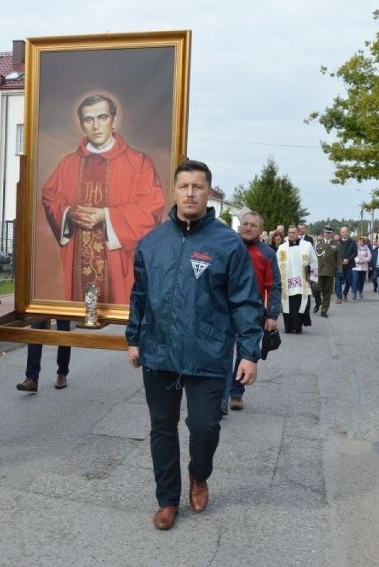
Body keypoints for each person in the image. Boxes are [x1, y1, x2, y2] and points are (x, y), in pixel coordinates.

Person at [125, 159, 264, 531]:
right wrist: (134, 339)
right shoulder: (152, 242)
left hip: (208, 354)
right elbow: (140, 296)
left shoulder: (227, 243)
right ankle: (167, 500)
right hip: (159, 352)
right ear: (174, 191)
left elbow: (245, 302)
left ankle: (199, 474)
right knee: (162, 428)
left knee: (205, 428)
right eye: (183, 186)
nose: (190, 193)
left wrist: (249, 353)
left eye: (197, 187)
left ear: (208, 192)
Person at [41, 94, 166, 305]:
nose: (96, 126)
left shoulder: (138, 163)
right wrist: (69, 214)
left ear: (114, 121)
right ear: (82, 124)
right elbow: (50, 196)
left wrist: (106, 216)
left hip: (118, 262)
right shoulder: (69, 164)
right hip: (78, 260)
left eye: (102, 117)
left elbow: (151, 207)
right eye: (89, 120)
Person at [224, 211, 280, 412]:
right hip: (224, 309)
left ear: (260, 230)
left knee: (244, 353)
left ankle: (236, 393)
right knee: (222, 352)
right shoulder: (227, 247)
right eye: (245, 224)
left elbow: (274, 286)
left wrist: (272, 315)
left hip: (251, 313)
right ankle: (221, 397)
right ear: (239, 226)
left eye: (253, 225)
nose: (247, 228)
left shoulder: (267, 254)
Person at [277, 225, 318, 333]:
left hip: (302, 281)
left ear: (298, 233)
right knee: (288, 305)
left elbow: (314, 261)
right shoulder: (282, 247)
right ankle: (288, 326)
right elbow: (276, 264)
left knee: (299, 304)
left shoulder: (307, 245)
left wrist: (312, 277)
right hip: (286, 280)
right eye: (289, 232)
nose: (291, 234)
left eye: (293, 232)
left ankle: (297, 326)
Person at [16, 319, 72, 392]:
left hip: (64, 307)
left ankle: (62, 373)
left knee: (63, 332)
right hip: (40, 307)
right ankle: (32, 379)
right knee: (34, 333)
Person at [313, 226, 341, 317]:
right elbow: (313, 257)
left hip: (330, 271)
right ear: (323, 233)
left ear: (332, 233)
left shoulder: (336, 244)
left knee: (327, 292)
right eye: (326, 232)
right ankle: (318, 302)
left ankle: (324, 310)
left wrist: (340, 271)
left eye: (329, 233)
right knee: (316, 288)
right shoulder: (318, 243)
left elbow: (339, 259)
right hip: (319, 270)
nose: (327, 234)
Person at [335, 226, 357, 302]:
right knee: (338, 281)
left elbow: (355, 253)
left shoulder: (353, 242)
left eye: (345, 231)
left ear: (348, 232)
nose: (344, 233)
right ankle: (339, 297)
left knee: (349, 281)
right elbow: (335, 253)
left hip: (349, 264)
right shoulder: (337, 242)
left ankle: (345, 293)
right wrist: (341, 260)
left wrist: (348, 259)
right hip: (339, 265)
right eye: (343, 232)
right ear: (340, 233)